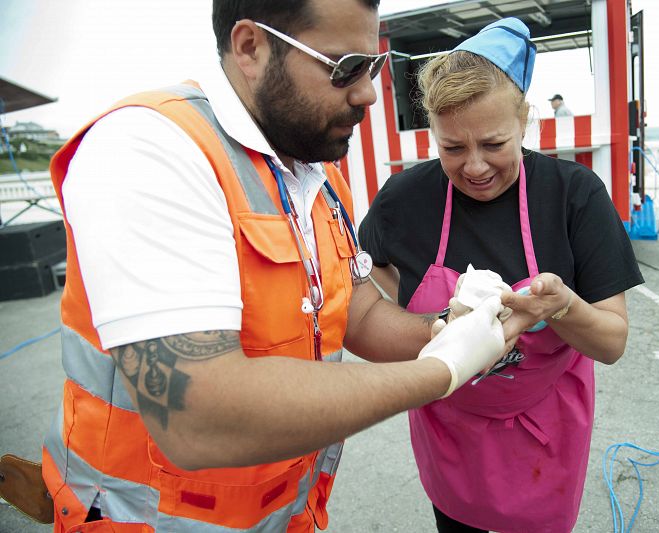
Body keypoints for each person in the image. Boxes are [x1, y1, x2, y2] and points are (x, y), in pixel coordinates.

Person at [40, 1, 512, 531]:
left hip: (287, 514)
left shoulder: (315, 174)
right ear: (250, 48)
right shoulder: (150, 151)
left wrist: (446, 329)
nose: (368, 93)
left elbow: (354, 310)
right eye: (345, 67)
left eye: (373, 66)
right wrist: (442, 370)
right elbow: (196, 418)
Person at [358, 18, 644, 532]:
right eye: (452, 148)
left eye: (493, 144)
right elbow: (369, 267)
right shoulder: (404, 199)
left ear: (524, 123)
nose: (474, 167)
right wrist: (423, 313)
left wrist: (562, 306)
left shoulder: (574, 196)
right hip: (449, 430)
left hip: (544, 430)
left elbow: (611, 342)